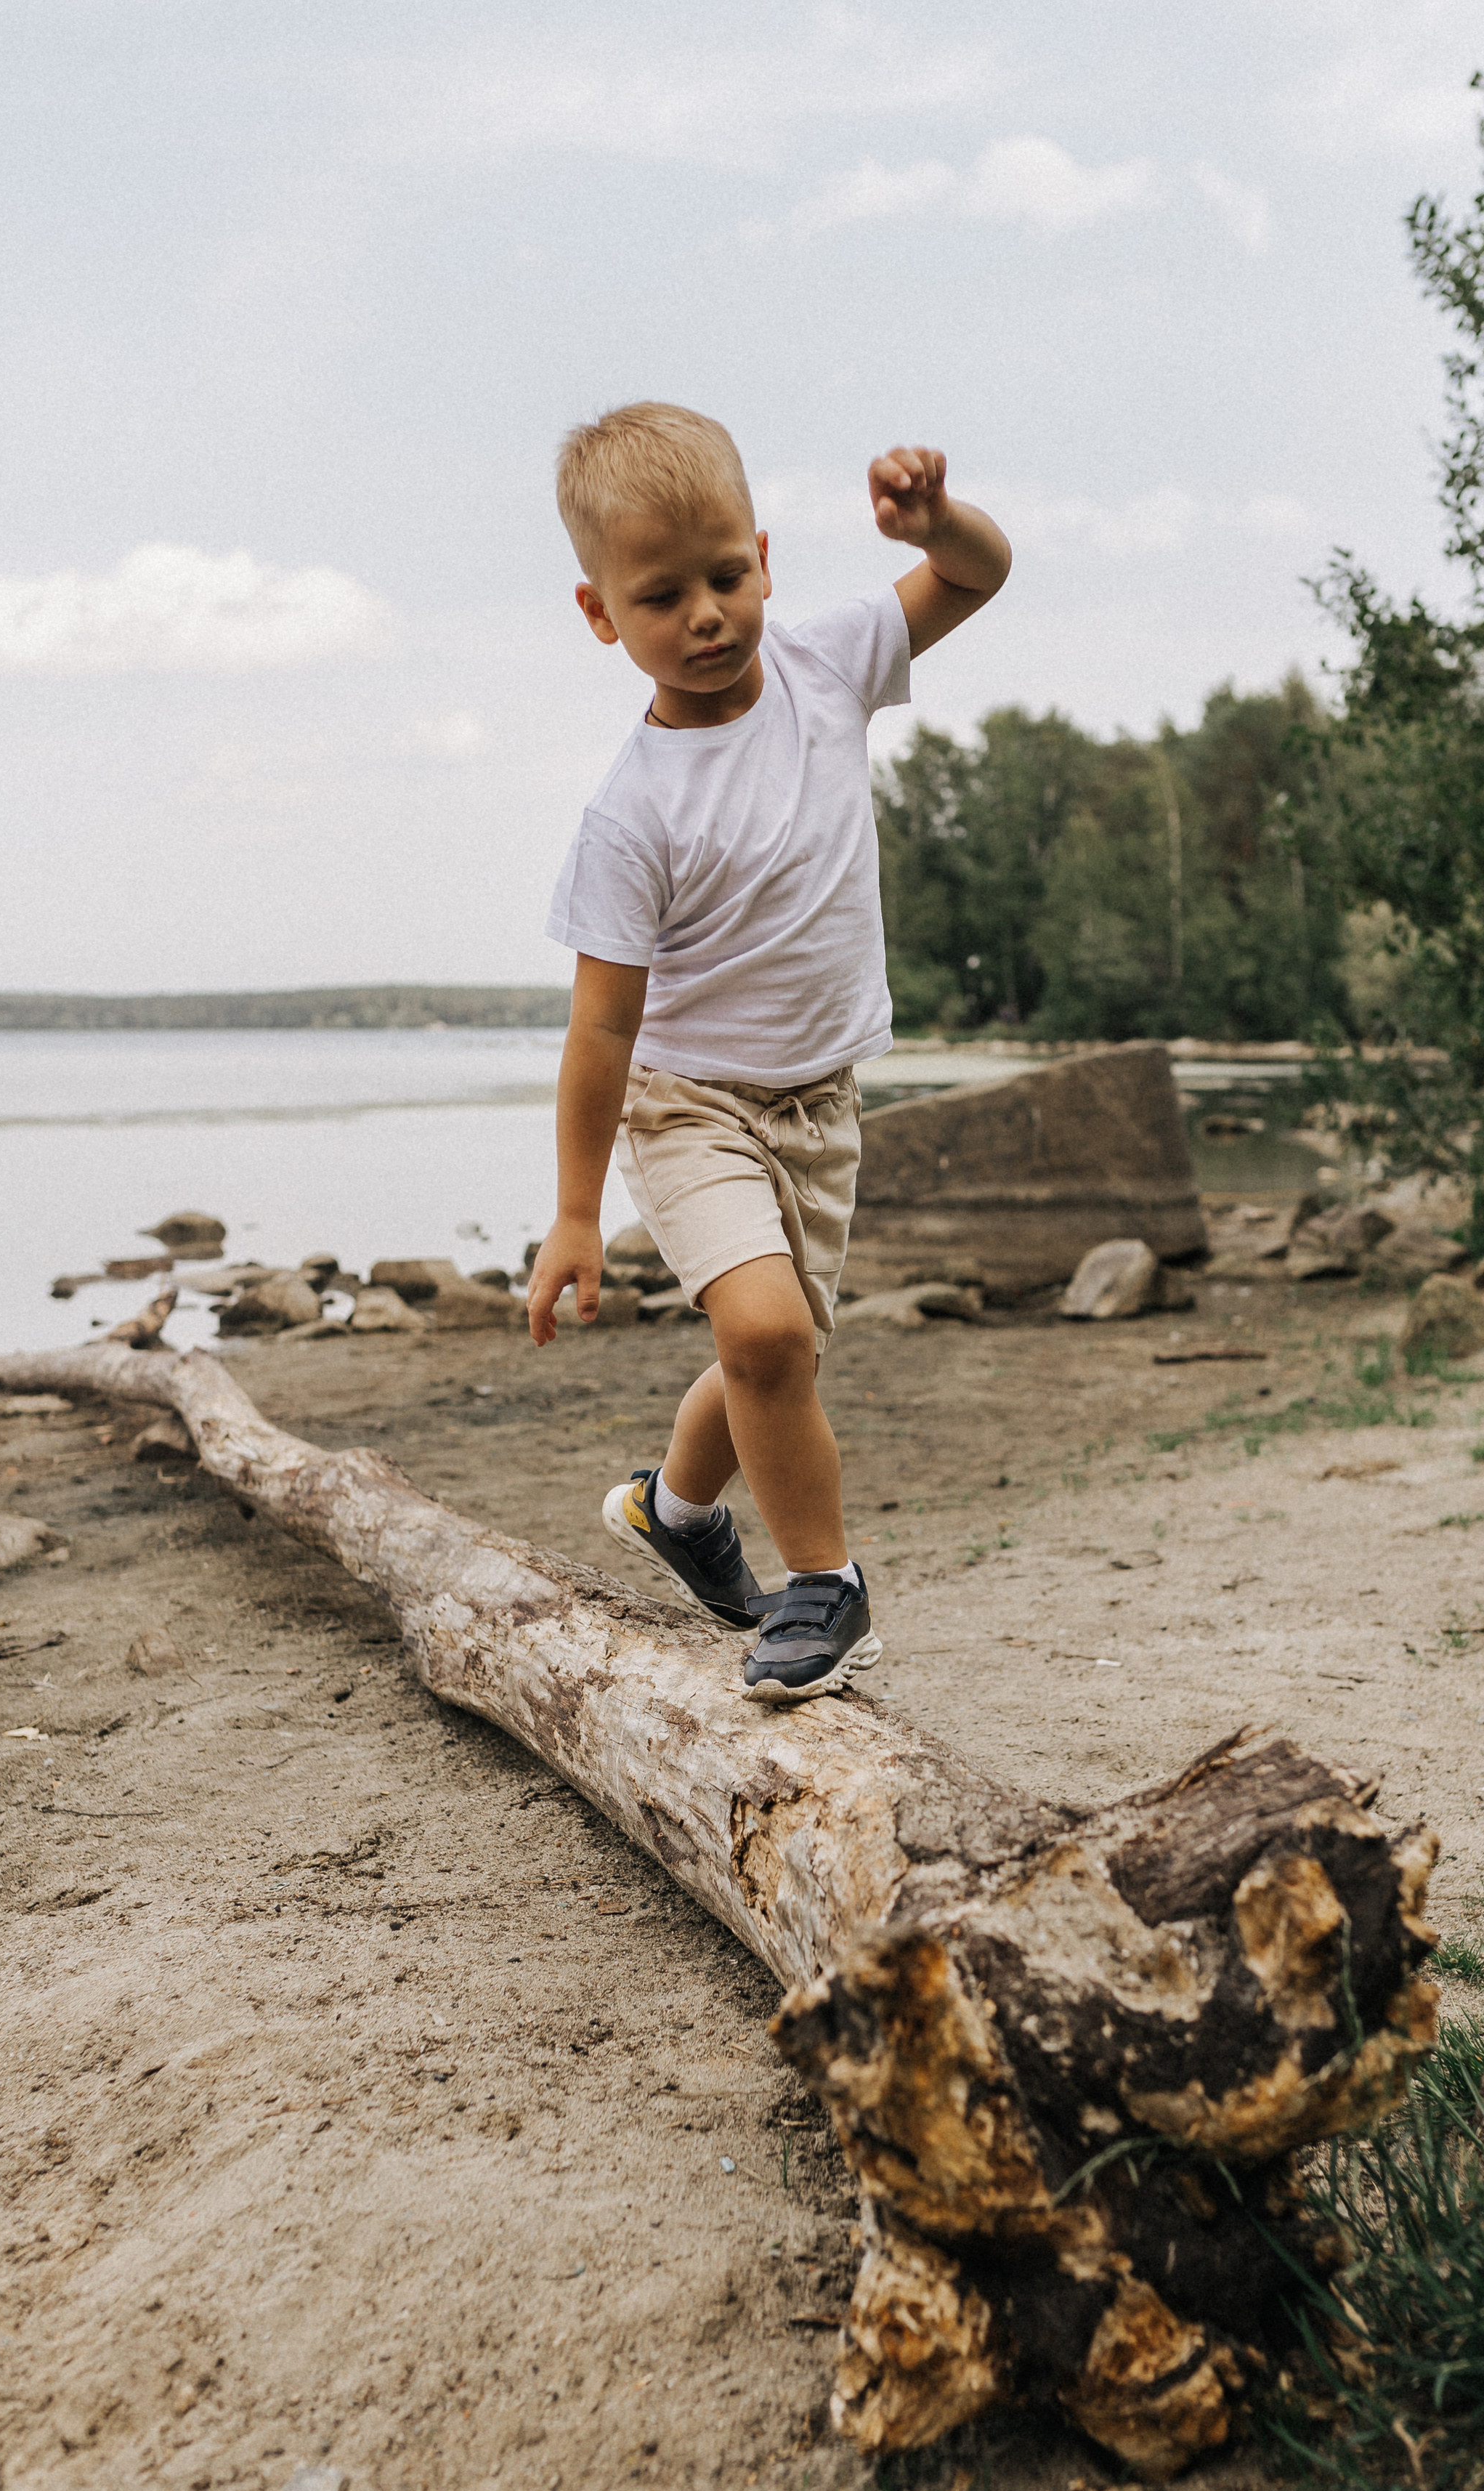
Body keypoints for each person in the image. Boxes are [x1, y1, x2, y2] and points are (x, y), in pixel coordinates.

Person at [524, 402, 1010, 1700]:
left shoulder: (828, 666)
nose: (706, 614)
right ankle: (825, 1587)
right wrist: (577, 1214)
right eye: (662, 594)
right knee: (765, 1337)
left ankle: (676, 1515)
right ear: (600, 615)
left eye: (727, 576)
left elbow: (977, 572)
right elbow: (602, 1027)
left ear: (767, 560)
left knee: (776, 1348)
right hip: (688, 1109)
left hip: (821, 1110)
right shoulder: (632, 813)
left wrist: (933, 522)